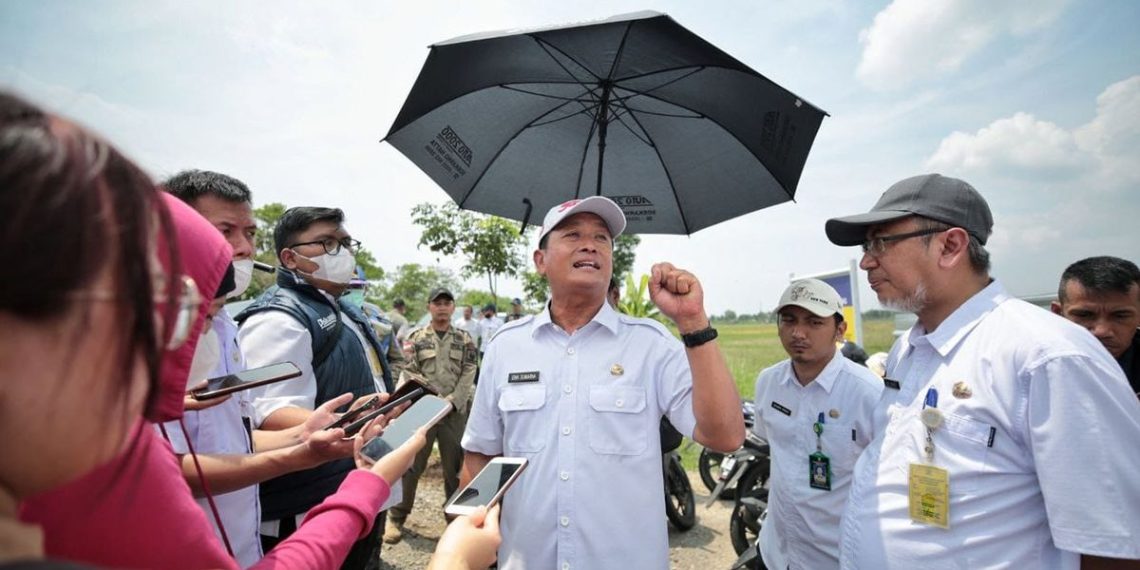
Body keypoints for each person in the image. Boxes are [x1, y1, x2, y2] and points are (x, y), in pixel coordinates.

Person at [1, 92, 427, 569]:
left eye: (194, 316)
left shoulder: (241, 328)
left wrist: (304, 441)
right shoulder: (85, 476)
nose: (241, 249)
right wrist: (368, 495)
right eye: (156, 308)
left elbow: (236, 438)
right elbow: (175, 467)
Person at [824, 173, 1140, 568]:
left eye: (881, 242)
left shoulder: (1048, 356)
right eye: (866, 246)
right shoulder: (909, 348)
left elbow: (1112, 543)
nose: (867, 260)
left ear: (950, 246)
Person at [460, 196, 745, 569]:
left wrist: (693, 322)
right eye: (572, 234)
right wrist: (466, 538)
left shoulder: (651, 345)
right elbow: (481, 454)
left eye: (601, 237)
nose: (590, 245)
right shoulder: (506, 347)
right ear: (540, 260)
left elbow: (726, 436)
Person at [164, 169, 370, 566]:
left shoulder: (225, 326)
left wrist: (304, 433)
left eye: (250, 233)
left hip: (240, 546)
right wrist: (298, 456)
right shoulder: (147, 340)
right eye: (225, 231)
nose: (243, 248)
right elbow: (164, 468)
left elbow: (236, 441)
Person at [236, 206, 397, 568]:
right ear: (290, 259)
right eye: (326, 243)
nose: (341, 253)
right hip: (306, 506)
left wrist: (381, 412)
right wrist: (352, 422)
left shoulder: (344, 310)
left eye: (345, 243)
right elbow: (270, 412)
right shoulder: (278, 319)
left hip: (350, 487)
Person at [751, 279, 882, 570]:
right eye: (789, 320)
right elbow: (768, 442)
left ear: (840, 330)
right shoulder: (769, 382)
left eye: (814, 322)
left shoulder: (868, 394)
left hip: (835, 559)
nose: (798, 333)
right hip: (775, 554)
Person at [385, 287, 479, 544]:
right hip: (423, 411)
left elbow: (470, 369)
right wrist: (433, 399)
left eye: (447, 303)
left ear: (453, 308)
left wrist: (453, 400)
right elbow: (410, 369)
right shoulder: (416, 337)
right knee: (410, 465)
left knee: (455, 470)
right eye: (437, 303)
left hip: (454, 414)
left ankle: (455, 521)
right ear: (429, 307)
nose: (442, 307)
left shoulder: (464, 339)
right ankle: (396, 517)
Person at [1051, 256, 1140, 393]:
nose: (1101, 331)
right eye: (1084, 315)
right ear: (1058, 314)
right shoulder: (1032, 367)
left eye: (1120, 316)